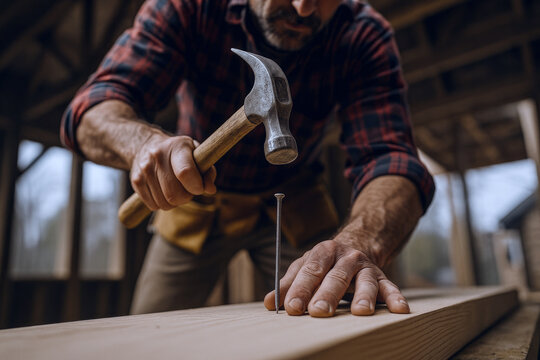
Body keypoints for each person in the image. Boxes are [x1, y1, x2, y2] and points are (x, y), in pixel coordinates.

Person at [61, 0, 435, 318]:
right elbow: (93, 107)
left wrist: (363, 240)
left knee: (331, 310)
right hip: (191, 199)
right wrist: (140, 143)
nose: (305, 8)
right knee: (146, 334)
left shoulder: (363, 33)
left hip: (295, 204)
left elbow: (391, 158)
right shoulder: (189, 6)